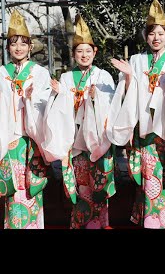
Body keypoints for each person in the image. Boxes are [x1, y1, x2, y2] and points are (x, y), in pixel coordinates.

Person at [107, 0, 165, 229]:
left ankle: (161, 224)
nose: (156, 38)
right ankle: (148, 222)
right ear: (146, 36)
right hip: (143, 132)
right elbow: (127, 96)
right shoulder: (136, 60)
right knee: (146, 184)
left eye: (160, 34)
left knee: (164, 183)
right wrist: (127, 78)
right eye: (152, 33)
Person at [42, 14, 116, 229]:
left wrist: (96, 98)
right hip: (75, 141)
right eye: (79, 51)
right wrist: (56, 95)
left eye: (88, 51)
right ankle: (81, 223)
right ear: (74, 54)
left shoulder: (103, 76)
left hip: (97, 141)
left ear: (95, 52)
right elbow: (59, 111)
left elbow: (111, 105)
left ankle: (101, 224)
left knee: (99, 187)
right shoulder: (66, 77)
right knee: (81, 187)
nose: (84, 55)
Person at [0, 9, 51, 229]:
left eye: (23, 43)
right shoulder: (2, 73)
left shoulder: (39, 73)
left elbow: (46, 107)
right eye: (13, 43)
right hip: (9, 142)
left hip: (31, 142)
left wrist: (32, 100)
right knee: (13, 197)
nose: (18, 48)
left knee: (31, 193)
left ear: (30, 47)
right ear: (8, 48)